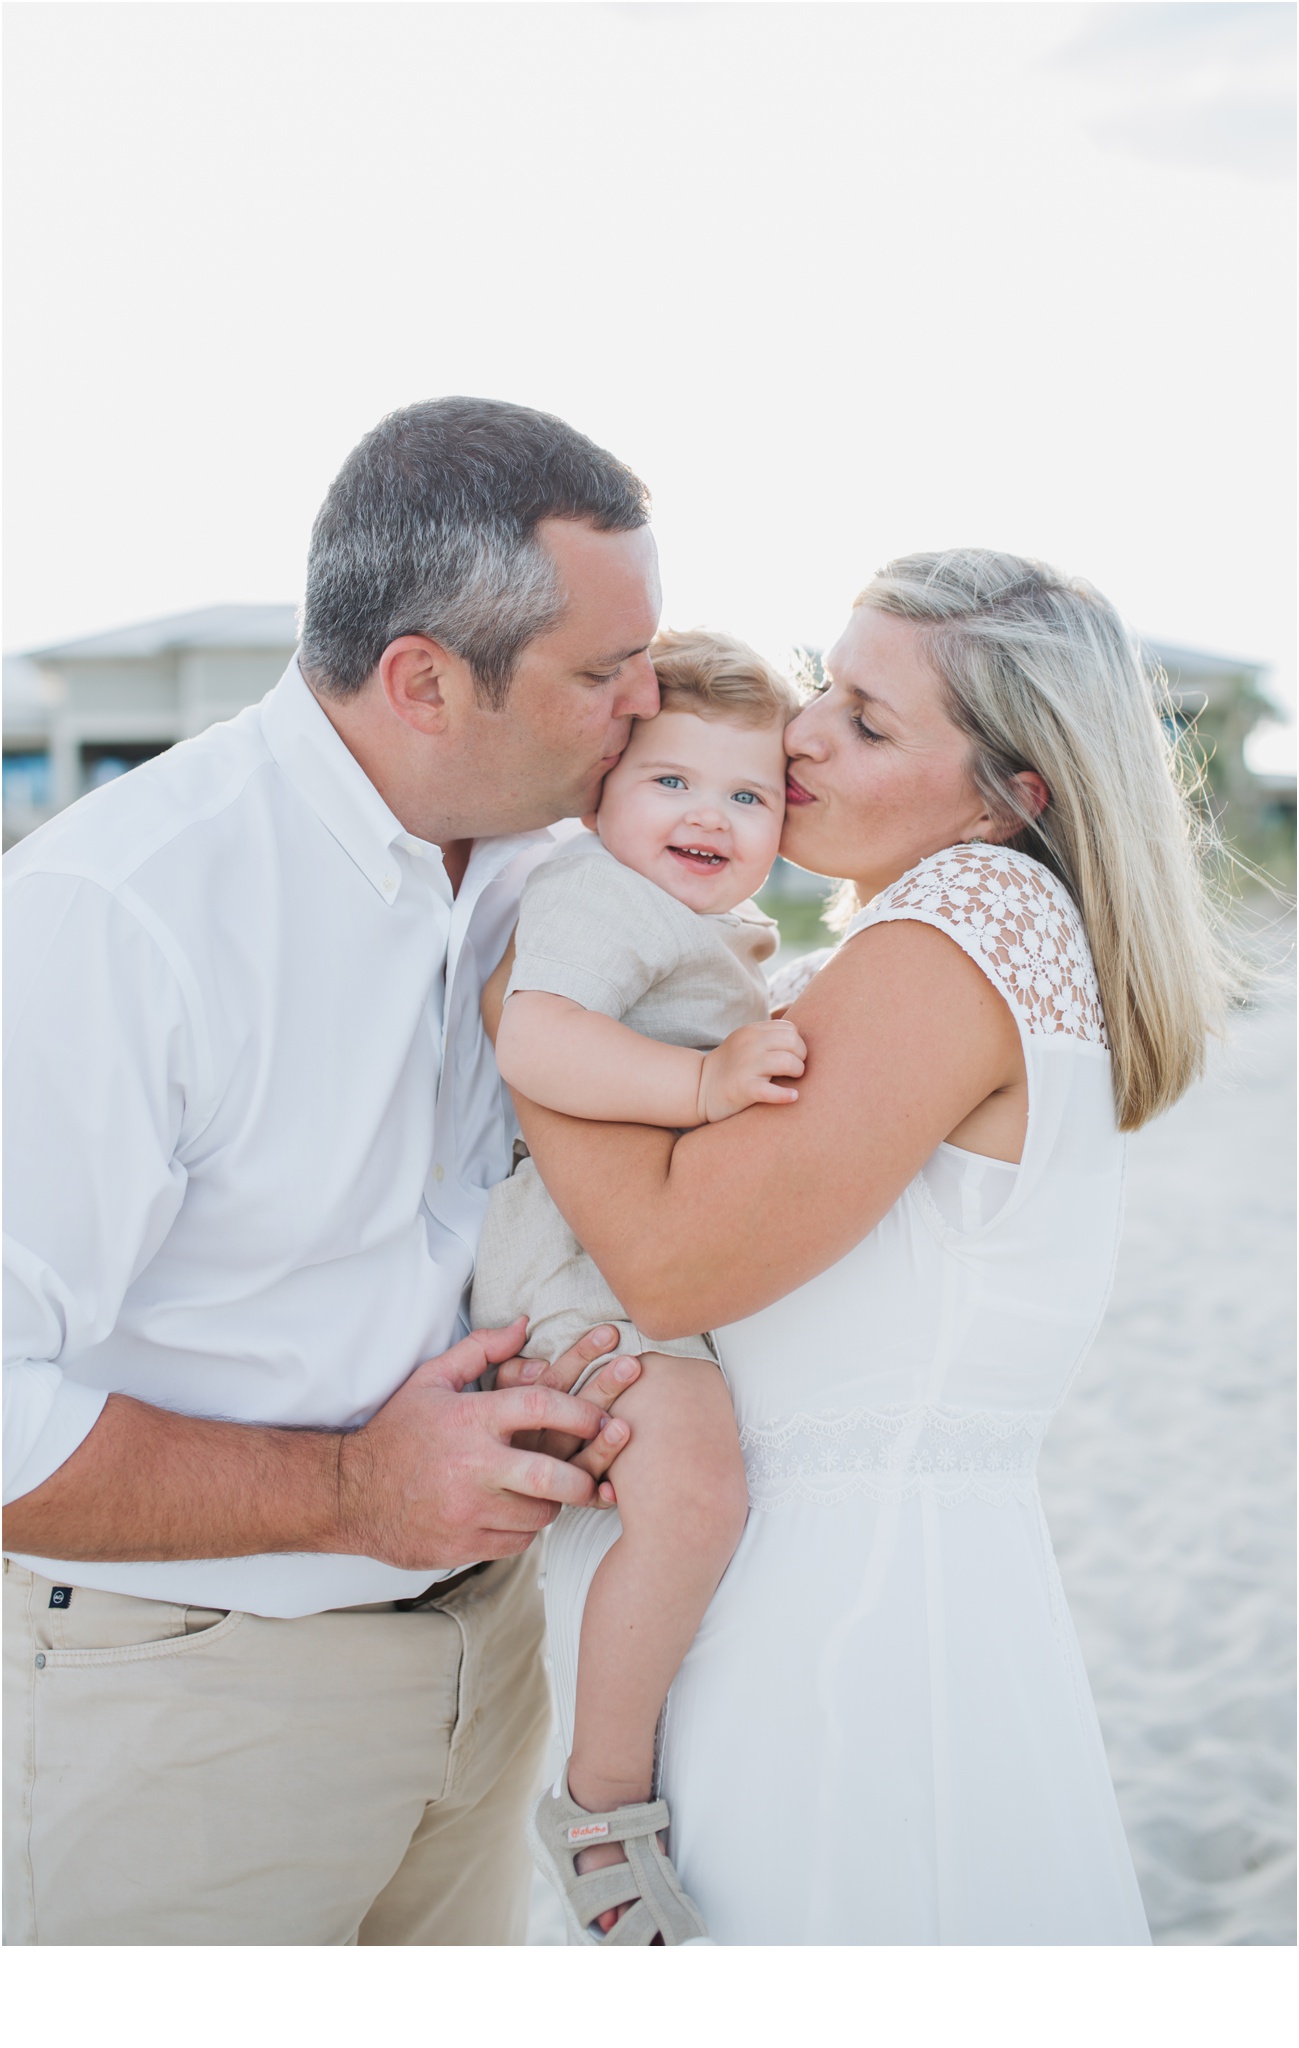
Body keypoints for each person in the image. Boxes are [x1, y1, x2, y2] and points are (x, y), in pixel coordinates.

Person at [491, 549, 1245, 1944]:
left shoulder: (966, 922)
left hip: (840, 1641)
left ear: (1017, 794)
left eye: (870, 723)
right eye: (827, 687)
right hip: (887, 1604)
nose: (803, 737)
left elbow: (670, 1264)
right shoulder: (903, 949)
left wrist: (521, 1020)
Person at [2, 396, 668, 1946]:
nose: (650, 704)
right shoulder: (119, 917)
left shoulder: (559, 873)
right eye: (602, 672)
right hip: (187, 1706)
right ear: (426, 681)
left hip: (488, 1674)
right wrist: (353, 1492)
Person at [470, 630, 804, 1944]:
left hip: (615, 1253)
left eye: (749, 793)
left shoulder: (670, 916)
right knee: (699, 1489)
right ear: (598, 791)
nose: (709, 815)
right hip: (573, 1257)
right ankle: (602, 1799)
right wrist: (704, 1083)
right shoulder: (596, 896)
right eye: (670, 781)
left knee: (696, 1488)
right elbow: (538, 1036)